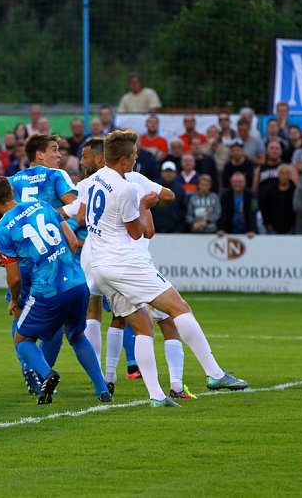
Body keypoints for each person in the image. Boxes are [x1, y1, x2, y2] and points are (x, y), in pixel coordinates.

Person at [82, 129, 247, 407]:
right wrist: (145, 206)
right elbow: (138, 233)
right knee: (179, 308)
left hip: (100, 266)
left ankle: (157, 397)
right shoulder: (126, 189)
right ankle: (215, 374)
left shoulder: (96, 179)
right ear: (123, 160)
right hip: (125, 263)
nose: (136, 158)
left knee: (143, 327)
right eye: (134, 155)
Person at [0, 176, 112, 404]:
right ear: (12, 191)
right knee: (77, 335)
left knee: (22, 339)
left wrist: (14, 300)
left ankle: (47, 375)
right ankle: (102, 389)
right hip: (77, 281)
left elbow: (14, 277)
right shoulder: (43, 205)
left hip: (47, 289)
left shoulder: (2, 229)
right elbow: (72, 242)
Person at [218, 172, 258, 237]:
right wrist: (221, 229)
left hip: (248, 231)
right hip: (229, 230)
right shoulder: (225, 195)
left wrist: (252, 230)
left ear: (245, 182)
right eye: (235, 182)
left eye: (240, 182)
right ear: (231, 182)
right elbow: (223, 213)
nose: (237, 184)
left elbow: (254, 211)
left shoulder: (252, 195)